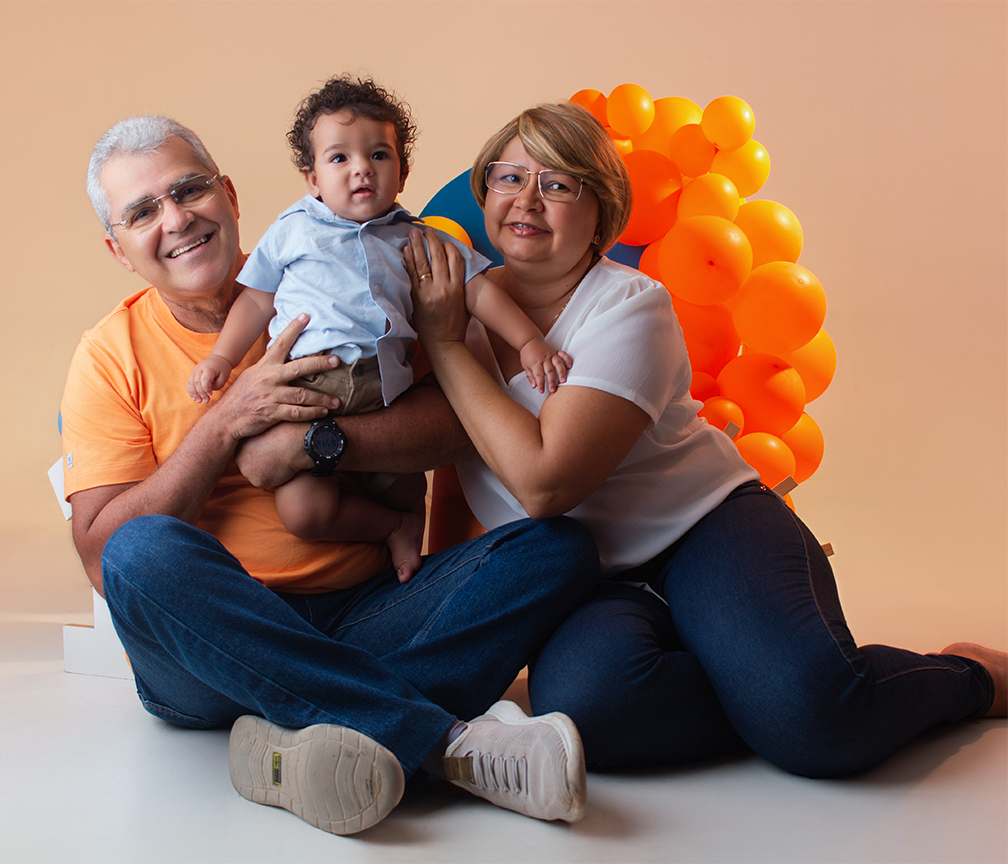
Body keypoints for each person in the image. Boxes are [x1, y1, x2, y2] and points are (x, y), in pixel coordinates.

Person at [403, 101, 1008, 778]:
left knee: (820, 725)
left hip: (708, 531)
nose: (526, 200)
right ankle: (765, 682)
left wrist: (446, 346)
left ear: (601, 212)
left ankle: (969, 676)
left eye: (558, 184)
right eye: (509, 177)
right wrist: (451, 610)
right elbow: (459, 471)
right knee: (588, 712)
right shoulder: (453, 306)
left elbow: (546, 485)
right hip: (593, 581)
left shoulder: (628, 305)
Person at [61, 113, 602, 835]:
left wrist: (315, 443)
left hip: (368, 612)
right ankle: (443, 742)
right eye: (142, 212)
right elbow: (102, 557)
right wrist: (226, 423)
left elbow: (454, 423)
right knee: (139, 551)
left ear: (228, 194)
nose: (177, 219)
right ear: (118, 249)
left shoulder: (352, 262)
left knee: (559, 548)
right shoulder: (108, 356)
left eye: (189, 190)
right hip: (211, 646)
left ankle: (295, 734)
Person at [188, 76, 570, 582]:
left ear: (402, 173)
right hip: (308, 391)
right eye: (339, 158)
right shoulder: (293, 230)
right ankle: (391, 528)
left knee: (407, 486)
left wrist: (529, 341)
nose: (361, 168)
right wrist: (221, 357)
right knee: (305, 513)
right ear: (313, 179)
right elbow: (256, 300)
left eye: (379, 155)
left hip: (387, 394)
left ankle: (408, 539)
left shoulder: (418, 239)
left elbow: (479, 292)